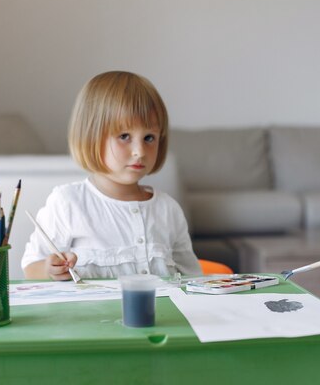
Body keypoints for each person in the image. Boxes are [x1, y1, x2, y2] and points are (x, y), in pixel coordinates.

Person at [22, 71, 201, 280]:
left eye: (149, 137)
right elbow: (30, 269)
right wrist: (48, 270)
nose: (140, 151)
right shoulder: (68, 202)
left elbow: (192, 278)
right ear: (90, 137)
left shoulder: (168, 209)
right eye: (124, 136)